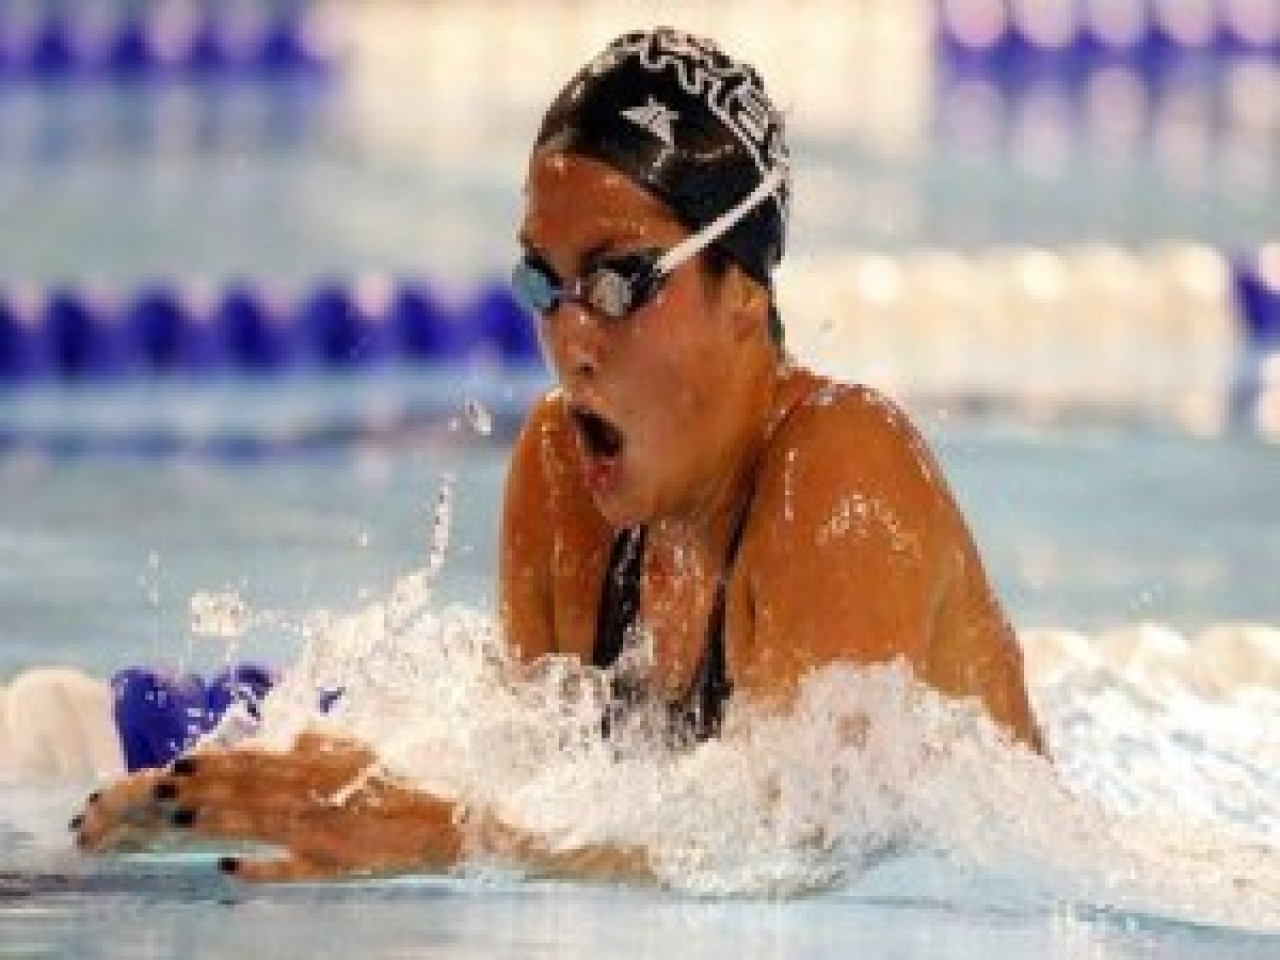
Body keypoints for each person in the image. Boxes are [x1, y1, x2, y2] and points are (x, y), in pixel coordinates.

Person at [73, 27, 1043, 882]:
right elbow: (547, 797)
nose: (571, 338)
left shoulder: (837, 478)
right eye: (544, 282)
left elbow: (806, 860)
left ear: (741, 289)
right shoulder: (559, 478)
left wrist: (449, 842)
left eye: (619, 283)